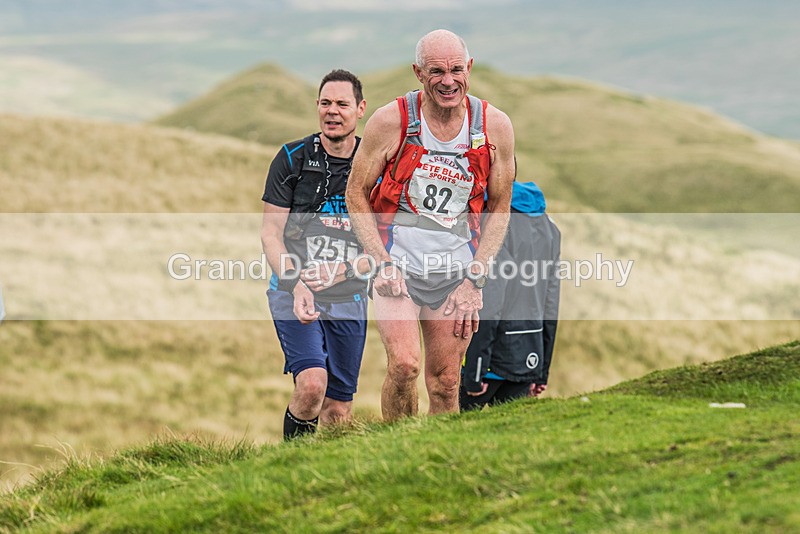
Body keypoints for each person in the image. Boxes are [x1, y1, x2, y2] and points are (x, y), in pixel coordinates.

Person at [346, 30, 515, 420]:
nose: (448, 81)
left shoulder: (494, 126)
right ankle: (397, 452)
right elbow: (357, 193)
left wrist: (476, 279)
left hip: (456, 273)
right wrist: (380, 261)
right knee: (404, 366)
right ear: (418, 73)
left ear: (469, 69)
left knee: (445, 383)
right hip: (397, 268)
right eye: (436, 71)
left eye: (457, 70)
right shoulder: (391, 121)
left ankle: (439, 463)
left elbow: (500, 205)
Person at [261, 69, 369, 439]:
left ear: (360, 109)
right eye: (325, 103)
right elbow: (270, 233)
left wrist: (345, 269)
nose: (332, 111)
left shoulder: (374, 165)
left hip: (349, 297)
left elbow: (388, 245)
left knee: (338, 411)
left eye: (342, 104)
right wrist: (296, 285)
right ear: (316, 107)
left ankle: (322, 482)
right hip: (293, 292)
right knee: (310, 387)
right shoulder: (291, 158)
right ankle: (291, 471)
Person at [460, 181, 561, 411]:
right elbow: (550, 303)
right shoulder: (549, 226)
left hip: (489, 365)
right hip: (529, 357)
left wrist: (475, 371)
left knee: (452, 438)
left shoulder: (494, 220)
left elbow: (491, 299)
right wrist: (541, 372)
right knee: (510, 442)